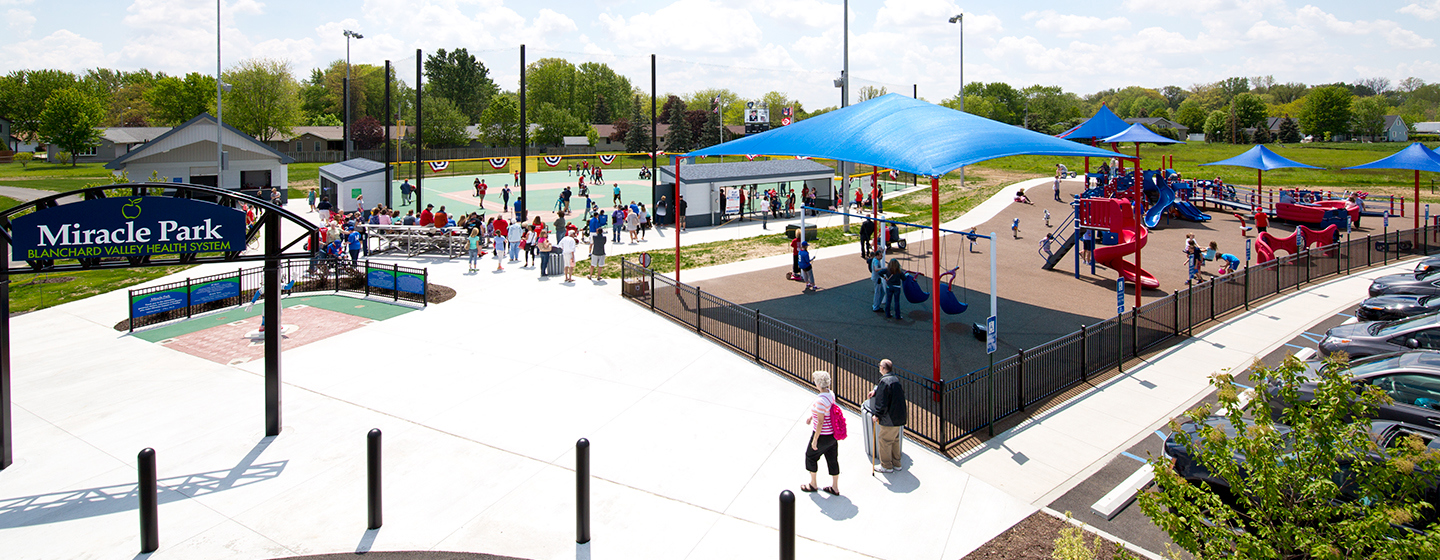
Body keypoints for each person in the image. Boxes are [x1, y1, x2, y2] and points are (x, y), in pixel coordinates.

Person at [800, 370, 841, 496]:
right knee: (832, 458)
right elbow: (825, 412)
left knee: (810, 456)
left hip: (823, 435)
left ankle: (813, 484)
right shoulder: (831, 394)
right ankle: (835, 487)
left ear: (818, 383)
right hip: (833, 435)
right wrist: (811, 417)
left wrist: (815, 439)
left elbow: (821, 422)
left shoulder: (820, 401)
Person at [867, 359, 906, 473]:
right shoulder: (895, 379)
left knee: (884, 441)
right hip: (899, 417)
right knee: (894, 440)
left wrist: (877, 415)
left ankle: (886, 465)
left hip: (889, 419)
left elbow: (882, 401)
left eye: (880, 366)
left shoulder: (885, 382)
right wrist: (875, 389)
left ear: (883, 368)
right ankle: (896, 463)